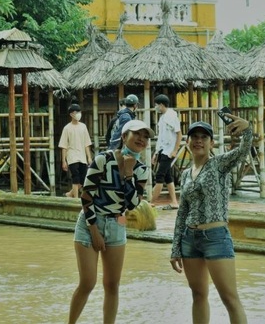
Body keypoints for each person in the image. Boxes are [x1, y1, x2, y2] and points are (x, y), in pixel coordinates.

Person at [68, 120, 154, 324]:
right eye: (137, 134)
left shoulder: (141, 170)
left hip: (117, 224)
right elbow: (86, 197)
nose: (141, 139)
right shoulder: (102, 160)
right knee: (88, 283)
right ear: (124, 137)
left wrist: (128, 174)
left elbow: (133, 204)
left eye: (146, 136)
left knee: (112, 284)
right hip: (90, 222)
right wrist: (95, 232)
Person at [170, 115, 252, 324]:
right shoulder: (187, 174)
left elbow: (243, 150)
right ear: (187, 142)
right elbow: (182, 212)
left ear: (211, 143)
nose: (198, 140)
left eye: (204, 137)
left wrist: (247, 129)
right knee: (198, 295)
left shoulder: (219, 164)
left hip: (215, 237)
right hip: (189, 240)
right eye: (194, 137)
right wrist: (175, 248)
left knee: (230, 299)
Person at [151, 94, 182, 209]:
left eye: (157, 105)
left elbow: (179, 134)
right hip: (163, 150)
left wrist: (175, 150)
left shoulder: (172, 116)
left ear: (162, 105)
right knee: (168, 176)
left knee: (159, 176)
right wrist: (155, 153)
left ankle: (151, 201)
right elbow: (161, 137)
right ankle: (174, 202)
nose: (156, 108)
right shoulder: (162, 117)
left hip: (169, 151)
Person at [59, 103, 93, 198]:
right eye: (76, 112)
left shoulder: (83, 127)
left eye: (79, 112)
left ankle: (70, 194)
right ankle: (76, 199)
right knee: (75, 177)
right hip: (72, 156)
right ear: (71, 114)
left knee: (83, 179)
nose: (78, 114)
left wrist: (89, 157)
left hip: (82, 156)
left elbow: (87, 143)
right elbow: (64, 146)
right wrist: (64, 161)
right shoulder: (67, 128)